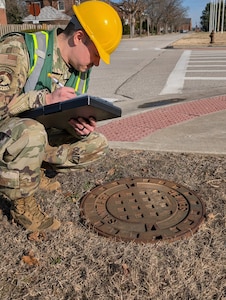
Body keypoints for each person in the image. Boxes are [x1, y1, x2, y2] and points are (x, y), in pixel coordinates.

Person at [0, 1, 122, 232]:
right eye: (96, 53)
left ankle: (33, 171)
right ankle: (22, 204)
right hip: (8, 134)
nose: (97, 62)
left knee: (96, 144)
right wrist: (43, 99)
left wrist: (77, 126)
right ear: (78, 37)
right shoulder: (19, 48)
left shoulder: (79, 70)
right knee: (31, 132)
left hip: (30, 135)